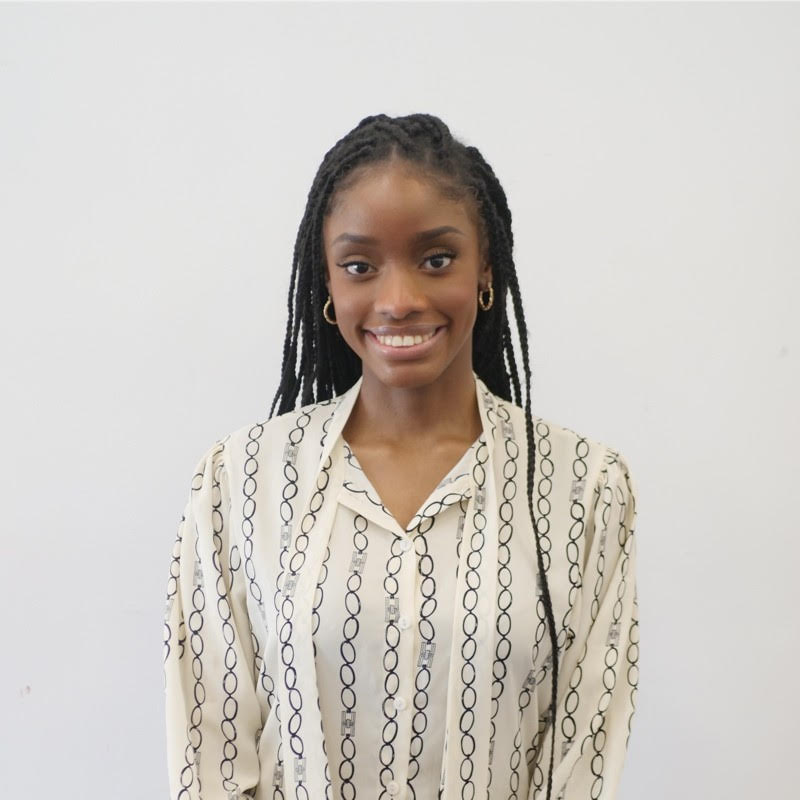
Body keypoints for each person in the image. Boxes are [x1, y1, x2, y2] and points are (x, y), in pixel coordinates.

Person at [163, 113, 639, 800]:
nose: (399, 300)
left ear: (486, 269)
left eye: (436, 259)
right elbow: (208, 748)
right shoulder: (240, 482)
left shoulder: (586, 488)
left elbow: (584, 751)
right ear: (327, 284)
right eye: (360, 266)